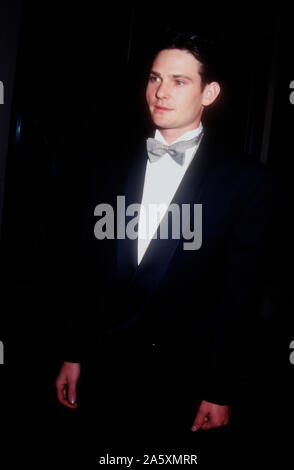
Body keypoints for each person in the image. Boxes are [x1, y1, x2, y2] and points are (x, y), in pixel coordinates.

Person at [55, 32, 274, 454]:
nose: (160, 92)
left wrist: (221, 389)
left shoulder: (248, 182)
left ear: (209, 92)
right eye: (155, 78)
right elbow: (87, 272)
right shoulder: (108, 167)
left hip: (184, 384)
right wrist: (73, 352)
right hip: (103, 371)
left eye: (179, 81)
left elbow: (240, 297)